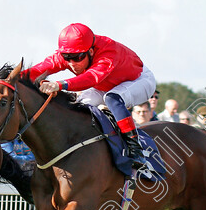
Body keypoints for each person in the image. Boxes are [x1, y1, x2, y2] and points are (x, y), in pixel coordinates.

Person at [25, 23, 157, 169]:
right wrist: (10, 79)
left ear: (91, 51)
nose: (71, 63)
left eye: (77, 57)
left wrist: (60, 84)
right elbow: (41, 68)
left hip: (138, 80)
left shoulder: (109, 51)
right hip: (105, 85)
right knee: (76, 105)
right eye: (66, 57)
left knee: (112, 98)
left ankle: (136, 150)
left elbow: (91, 78)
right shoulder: (74, 52)